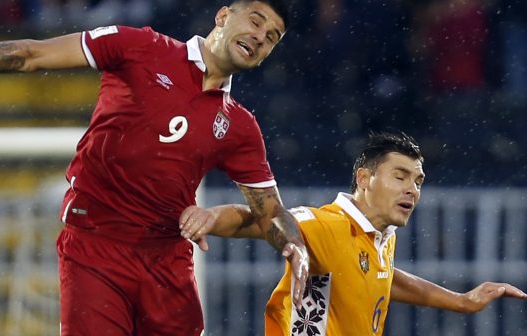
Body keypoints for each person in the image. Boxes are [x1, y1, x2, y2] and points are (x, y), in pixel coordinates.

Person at [0, 0, 309, 336]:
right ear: (222, 16)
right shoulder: (139, 47)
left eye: (272, 37)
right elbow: (34, 55)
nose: (260, 36)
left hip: (166, 263)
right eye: (255, 21)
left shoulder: (239, 127)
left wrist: (296, 249)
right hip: (95, 247)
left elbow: (270, 216)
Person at [179, 131, 527, 335]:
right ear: (364, 178)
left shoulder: (379, 238)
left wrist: (463, 302)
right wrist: (211, 217)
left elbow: (384, 278)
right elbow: (261, 219)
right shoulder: (327, 226)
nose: (412, 190)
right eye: (400, 176)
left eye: (418, 181)